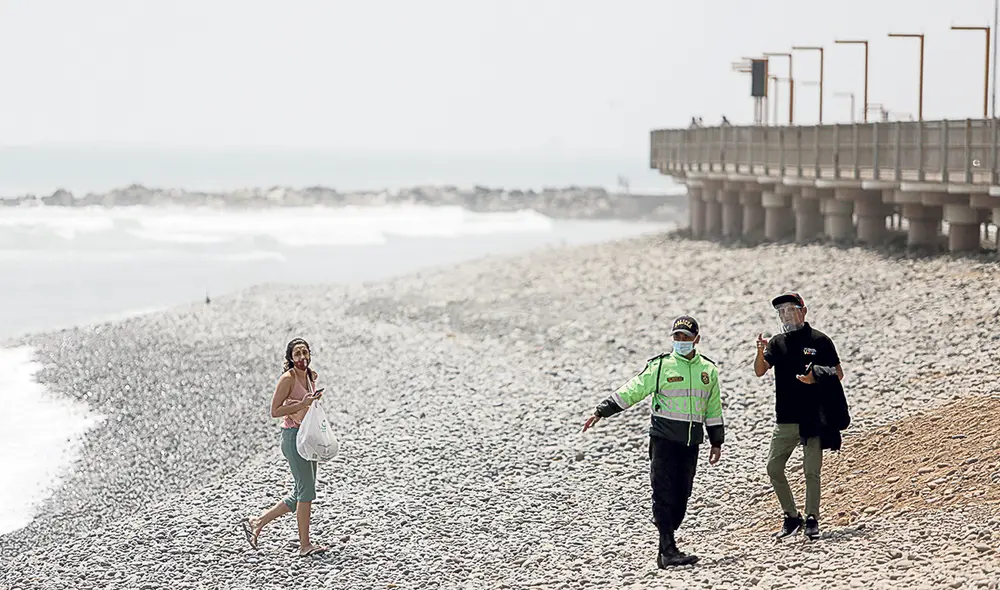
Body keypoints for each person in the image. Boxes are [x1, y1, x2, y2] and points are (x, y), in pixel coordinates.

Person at [583, 315, 725, 568]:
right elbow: (633, 389)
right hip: (664, 440)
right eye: (676, 337)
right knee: (663, 493)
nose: (680, 341)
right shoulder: (661, 366)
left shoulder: (708, 370)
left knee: (682, 496)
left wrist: (717, 441)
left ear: (697, 340)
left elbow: (713, 408)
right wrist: (602, 410)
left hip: (691, 442)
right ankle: (667, 549)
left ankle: (666, 543)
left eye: (685, 337)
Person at [754, 292, 844, 541]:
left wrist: (815, 376)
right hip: (784, 418)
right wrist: (760, 352)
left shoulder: (821, 341)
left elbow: (838, 373)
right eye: (782, 312)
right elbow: (760, 371)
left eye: (791, 310)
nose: (787, 315)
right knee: (773, 467)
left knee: (811, 471)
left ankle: (812, 518)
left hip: (813, 417)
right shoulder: (777, 343)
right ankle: (791, 517)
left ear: (803, 311)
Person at [242, 337, 328, 556]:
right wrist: (302, 404)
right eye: (297, 354)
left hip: (307, 437)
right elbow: (274, 411)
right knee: (306, 491)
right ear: (290, 358)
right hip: (292, 437)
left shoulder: (311, 376)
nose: (302, 357)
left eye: (305, 352)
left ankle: (258, 521)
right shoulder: (287, 379)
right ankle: (304, 545)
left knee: (301, 490)